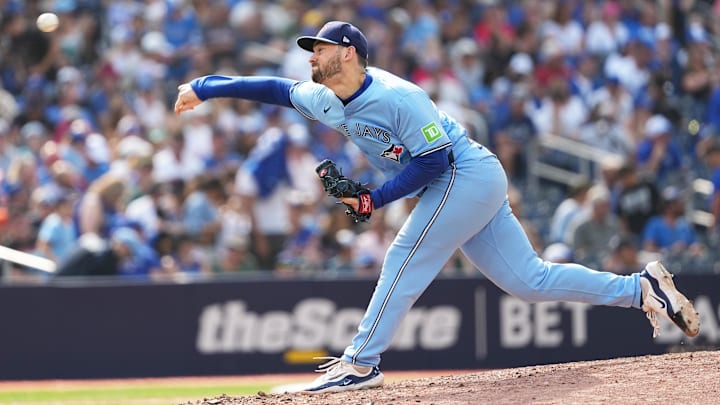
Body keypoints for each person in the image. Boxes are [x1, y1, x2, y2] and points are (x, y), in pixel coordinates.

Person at [174, 21, 700, 394]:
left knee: (403, 255)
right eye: (310, 49)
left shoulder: (399, 97)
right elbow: (270, 87)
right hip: (457, 184)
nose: (311, 56)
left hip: (463, 173)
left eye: (320, 47)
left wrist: (375, 199)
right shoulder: (324, 97)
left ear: (350, 53)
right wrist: (204, 87)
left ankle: (359, 362)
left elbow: (435, 160)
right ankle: (640, 290)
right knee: (529, 281)